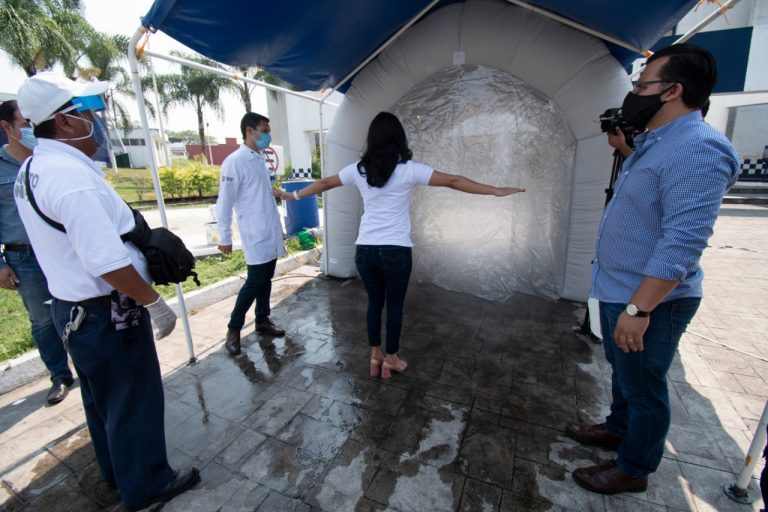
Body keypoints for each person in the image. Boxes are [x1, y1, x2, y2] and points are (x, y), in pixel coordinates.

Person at [14, 72, 199, 511]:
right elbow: (106, 262)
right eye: (86, 112)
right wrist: (153, 303)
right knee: (134, 399)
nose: (95, 119)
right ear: (63, 122)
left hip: (75, 309)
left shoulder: (34, 169)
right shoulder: (67, 177)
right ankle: (148, 485)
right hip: (107, 312)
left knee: (104, 402)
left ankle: (118, 473)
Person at [565, 44, 740, 495]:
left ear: (673, 91)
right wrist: (625, 148)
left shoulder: (699, 150)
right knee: (625, 375)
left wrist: (639, 310)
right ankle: (617, 429)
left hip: (649, 300)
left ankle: (633, 468)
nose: (635, 93)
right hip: (620, 287)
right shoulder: (658, 143)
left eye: (643, 85)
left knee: (644, 387)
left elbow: (682, 243)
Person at [274, 111, 525, 378]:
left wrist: (293, 195)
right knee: (394, 306)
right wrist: (494, 190)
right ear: (399, 138)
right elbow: (453, 180)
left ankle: (375, 357)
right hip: (395, 250)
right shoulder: (409, 169)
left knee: (374, 303)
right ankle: (391, 359)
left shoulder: (359, 169)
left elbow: (325, 182)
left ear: (372, 139)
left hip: (366, 250)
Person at [0, 100, 75, 404]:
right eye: (25, 123)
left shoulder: (49, 159)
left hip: (62, 249)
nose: (31, 128)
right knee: (43, 320)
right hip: (25, 257)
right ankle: (60, 375)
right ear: (7, 127)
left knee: (79, 308)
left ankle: (88, 365)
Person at [217, 112, 286, 356]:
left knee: (266, 278)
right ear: (249, 130)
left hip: (269, 229)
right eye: (264, 131)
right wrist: (224, 236)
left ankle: (262, 320)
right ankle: (234, 329)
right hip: (254, 232)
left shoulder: (260, 158)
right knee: (255, 281)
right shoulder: (235, 161)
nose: (268, 136)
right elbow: (225, 202)